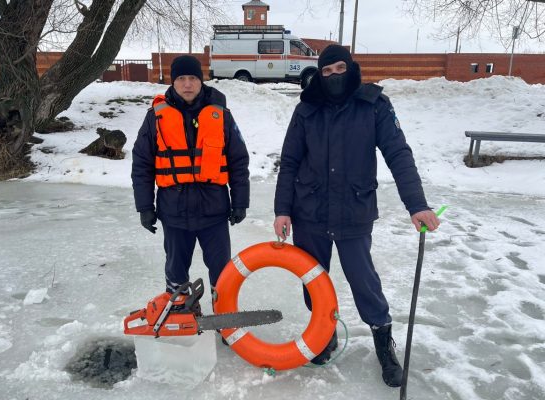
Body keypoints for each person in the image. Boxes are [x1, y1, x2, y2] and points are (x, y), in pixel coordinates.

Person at [273, 45, 440, 387]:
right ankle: (325, 333)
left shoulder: (373, 104)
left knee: (364, 282)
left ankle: (383, 342)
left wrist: (417, 204)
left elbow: (398, 153)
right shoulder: (307, 109)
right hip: (311, 211)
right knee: (313, 282)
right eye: (327, 71)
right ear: (319, 75)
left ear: (350, 68)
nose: (334, 76)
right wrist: (282, 209)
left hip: (354, 209)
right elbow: (289, 161)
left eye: (339, 68)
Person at [132, 55, 250, 302]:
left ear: (201, 81)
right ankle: (180, 315)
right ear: (173, 82)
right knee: (176, 271)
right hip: (174, 213)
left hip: (214, 212)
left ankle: (225, 320)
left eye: (193, 78)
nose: (187, 84)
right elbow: (142, 164)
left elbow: (238, 160)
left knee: (222, 274)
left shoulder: (222, 115)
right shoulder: (155, 118)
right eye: (182, 79)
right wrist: (145, 207)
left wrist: (240, 202)